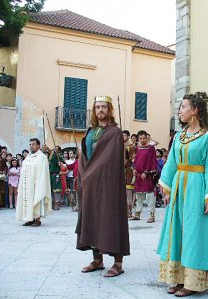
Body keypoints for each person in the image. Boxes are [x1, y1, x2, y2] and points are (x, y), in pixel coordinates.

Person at [157, 92, 208, 297]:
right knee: (177, 231)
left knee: (194, 232)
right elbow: (171, 162)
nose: (180, 110)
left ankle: (192, 281)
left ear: (195, 110)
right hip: (179, 185)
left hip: (197, 186)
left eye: (183, 106)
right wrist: (167, 187)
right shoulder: (178, 137)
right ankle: (177, 277)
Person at [76, 95, 130, 278]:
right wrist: (84, 175)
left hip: (108, 184)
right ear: (94, 110)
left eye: (104, 107)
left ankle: (118, 263)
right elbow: (84, 157)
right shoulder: (90, 132)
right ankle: (97, 259)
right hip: (89, 184)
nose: (100, 110)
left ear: (109, 110)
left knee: (110, 219)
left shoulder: (115, 132)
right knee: (92, 219)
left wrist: (91, 174)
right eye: (97, 107)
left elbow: (110, 160)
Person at [16, 138, 51, 227]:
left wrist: (40, 183)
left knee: (37, 200)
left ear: (38, 146)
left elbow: (43, 172)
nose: (31, 146)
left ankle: (37, 219)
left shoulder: (42, 157)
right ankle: (30, 219)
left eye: (33, 144)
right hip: (27, 184)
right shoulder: (28, 157)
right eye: (30, 144)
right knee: (28, 201)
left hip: (37, 184)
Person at [129, 130, 157, 223]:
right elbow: (136, 160)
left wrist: (147, 172)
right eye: (140, 138)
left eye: (144, 138)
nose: (142, 140)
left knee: (149, 196)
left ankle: (151, 216)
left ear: (147, 138)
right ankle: (137, 214)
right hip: (138, 175)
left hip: (147, 175)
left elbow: (151, 160)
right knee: (139, 195)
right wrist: (134, 168)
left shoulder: (151, 148)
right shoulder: (138, 148)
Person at [123, 130, 135, 218]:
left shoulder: (131, 146)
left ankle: (130, 211)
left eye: (124, 135)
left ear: (128, 136)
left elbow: (132, 158)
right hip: (119, 170)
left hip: (128, 170)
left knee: (128, 192)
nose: (122, 137)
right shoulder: (118, 145)